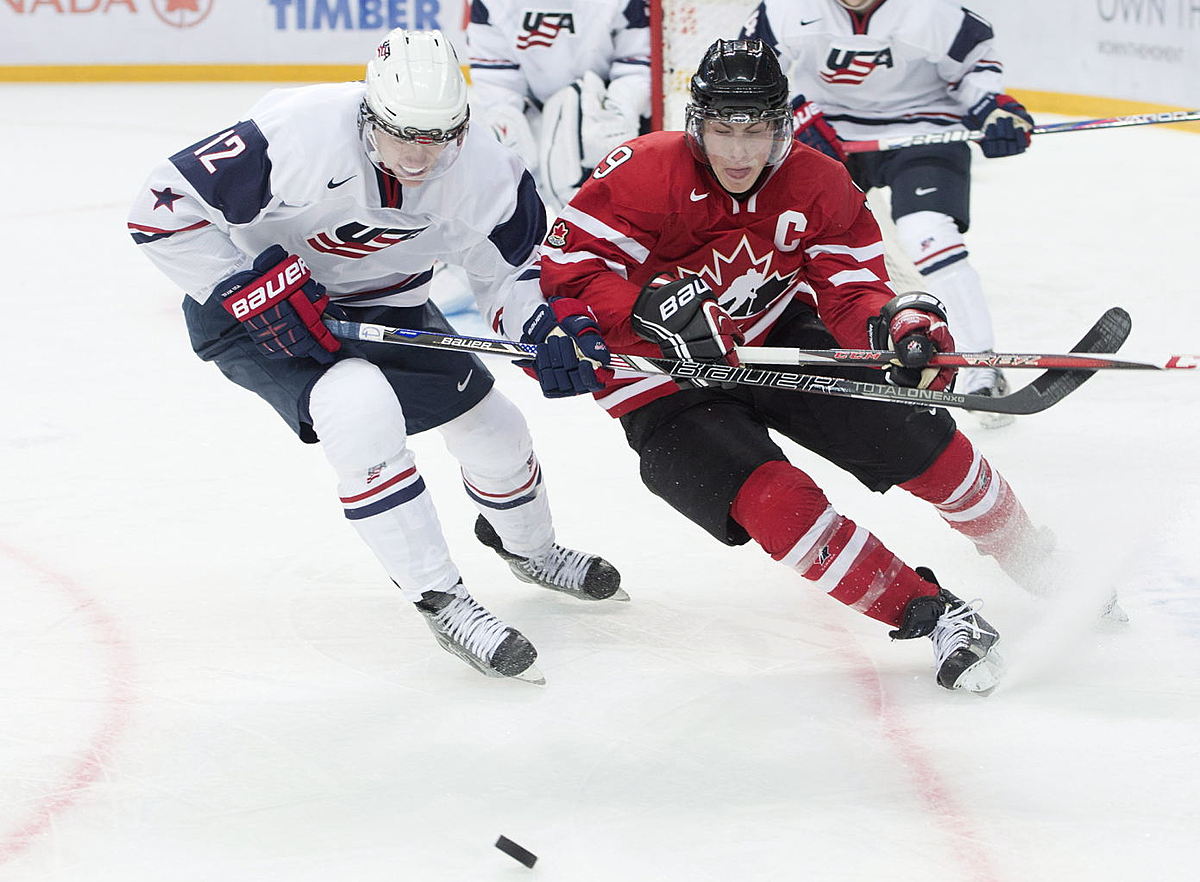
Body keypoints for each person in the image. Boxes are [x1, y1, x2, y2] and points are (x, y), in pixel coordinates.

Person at [541, 38, 1080, 694]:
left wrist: (896, 327)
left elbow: (853, 292)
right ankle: (933, 615)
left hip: (776, 337)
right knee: (776, 504)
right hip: (659, 382)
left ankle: (1032, 555)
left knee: (922, 440)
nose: (739, 151)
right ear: (696, 125)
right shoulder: (645, 173)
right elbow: (573, 270)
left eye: (757, 129)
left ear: (781, 125)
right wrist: (644, 316)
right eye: (721, 130)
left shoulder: (817, 180)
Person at [126, 28, 625, 685]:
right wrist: (245, 288)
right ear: (368, 114)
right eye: (401, 135)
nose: (419, 159)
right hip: (262, 311)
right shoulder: (298, 133)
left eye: (438, 137)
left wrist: (541, 329)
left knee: (494, 429)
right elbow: (159, 210)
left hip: (387, 306)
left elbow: (510, 274)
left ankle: (528, 549)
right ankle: (441, 599)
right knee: (357, 404)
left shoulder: (485, 167)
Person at [740, 0, 1034, 427]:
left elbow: (974, 66)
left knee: (928, 230)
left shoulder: (932, 11)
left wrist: (992, 107)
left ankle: (979, 367)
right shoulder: (787, 9)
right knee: (792, 237)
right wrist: (795, 115)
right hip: (825, 131)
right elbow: (750, 68)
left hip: (921, 128)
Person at [465, 0, 652, 213]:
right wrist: (510, 126)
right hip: (533, 113)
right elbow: (497, 78)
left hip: (602, 109)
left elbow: (637, 64)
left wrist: (617, 114)